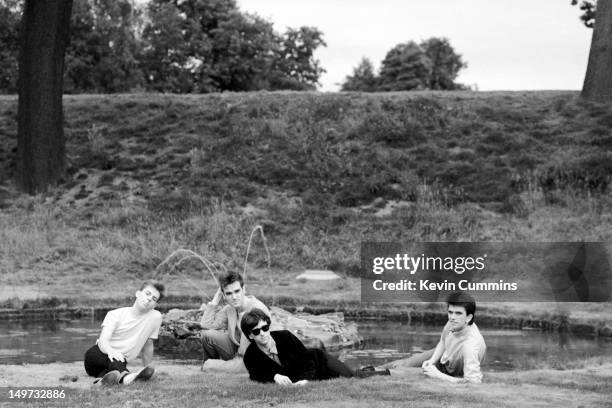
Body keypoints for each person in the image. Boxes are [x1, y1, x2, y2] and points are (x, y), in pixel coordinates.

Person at [241, 308, 390, 385]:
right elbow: (256, 375)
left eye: (265, 328)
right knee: (347, 378)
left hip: (319, 361)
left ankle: (389, 373)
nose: (262, 333)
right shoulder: (250, 356)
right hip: (304, 375)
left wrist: (305, 380)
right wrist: (275, 376)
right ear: (250, 335)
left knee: (353, 377)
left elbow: (306, 361)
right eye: (256, 331)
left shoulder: (285, 337)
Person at [380, 291, 486, 383]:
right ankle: (370, 370)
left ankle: (376, 374)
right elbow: (443, 341)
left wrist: (437, 375)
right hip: (444, 355)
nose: (452, 317)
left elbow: (472, 383)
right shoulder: (454, 322)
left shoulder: (470, 346)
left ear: (469, 317)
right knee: (404, 363)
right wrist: (432, 359)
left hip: (451, 370)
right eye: (450, 312)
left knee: (403, 372)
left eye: (458, 313)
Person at [84, 280, 165, 386]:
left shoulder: (155, 317)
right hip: (97, 355)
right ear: (138, 293)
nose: (149, 298)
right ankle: (128, 379)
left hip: (119, 362)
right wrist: (111, 351)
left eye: (154, 299)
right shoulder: (115, 314)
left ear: (154, 305)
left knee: (114, 372)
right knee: (116, 360)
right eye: (147, 293)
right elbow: (103, 341)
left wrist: (148, 368)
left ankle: (101, 382)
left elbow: (148, 344)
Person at [199, 270, 270, 365]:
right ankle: (211, 367)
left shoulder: (256, 308)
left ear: (243, 289)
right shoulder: (230, 308)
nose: (234, 297)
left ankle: (214, 366)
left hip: (255, 356)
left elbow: (262, 343)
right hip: (237, 350)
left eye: (237, 291)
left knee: (211, 366)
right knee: (206, 335)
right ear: (224, 295)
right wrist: (216, 298)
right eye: (228, 293)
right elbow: (206, 325)